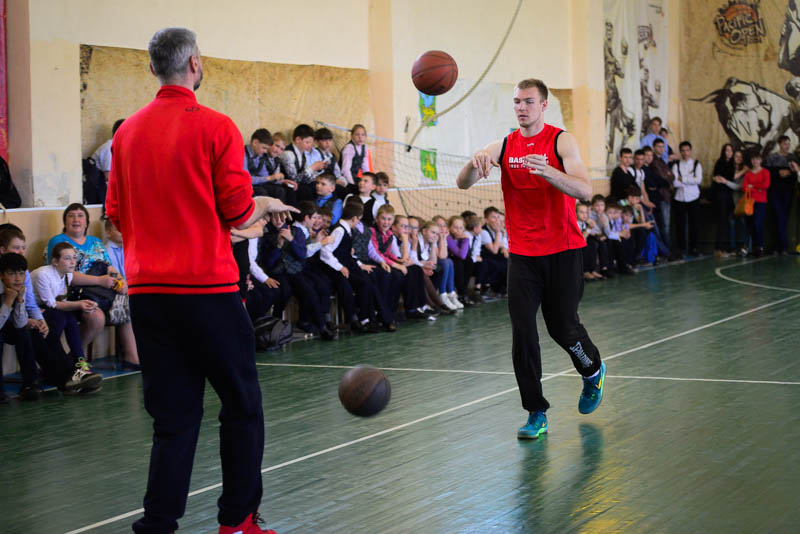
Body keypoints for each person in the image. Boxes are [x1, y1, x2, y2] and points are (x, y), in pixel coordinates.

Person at [105, 27, 295, 534]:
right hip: (207, 293)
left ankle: (158, 524)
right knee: (242, 406)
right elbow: (238, 211)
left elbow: (116, 215)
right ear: (195, 64)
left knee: (173, 418)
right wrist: (267, 202)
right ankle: (237, 522)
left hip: (148, 295)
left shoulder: (126, 134)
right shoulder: (216, 126)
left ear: (152, 68)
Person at [458, 78, 605, 440]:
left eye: (528, 101)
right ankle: (535, 412)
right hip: (523, 256)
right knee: (523, 331)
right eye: (517, 102)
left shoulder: (561, 141)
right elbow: (462, 183)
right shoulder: (504, 145)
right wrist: (475, 163)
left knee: (563, 328)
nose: (521, 107)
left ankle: (592, 371)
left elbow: (585, 190)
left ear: (543, 105)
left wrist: (549, 171)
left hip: (564, 251)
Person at [764, 135, 798, 254]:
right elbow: (767, 173)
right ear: (779, 144)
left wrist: (789, 172)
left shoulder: (793, 157)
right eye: (784, 143)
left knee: (784, 217)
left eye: (788, 143)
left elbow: (796, 174)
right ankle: (782, 246)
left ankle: (780, 246)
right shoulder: (772, 157)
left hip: (788, 191)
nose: (787, 146)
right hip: (775, 191)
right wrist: (778, 172)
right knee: (778, 216)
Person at [670, 141, 702, 257]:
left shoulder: (696, 164)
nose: (685, 153)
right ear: (680, 152)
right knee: (680, 225)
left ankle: (694, 248)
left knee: (694, 224)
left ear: (690, 151)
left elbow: (698, 180)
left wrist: (683, 179)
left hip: (693, 197)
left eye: (687, 150)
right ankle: (681, 249)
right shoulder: (676, 165)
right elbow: (675, 182)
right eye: (683, 151)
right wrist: (689, 180)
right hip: (680, 198)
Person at [743, 152, 771, 256]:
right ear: (751, 161)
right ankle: (754, 247)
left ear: (761, 160)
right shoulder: (748, 174)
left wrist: (753, 186)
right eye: (753, 159)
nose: (755, 161)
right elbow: (744, 187)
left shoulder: (765, 172)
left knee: (758, 224)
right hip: (749, 202)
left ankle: (760, 246)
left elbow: (766, 185)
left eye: (757, 159)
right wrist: (757, 188)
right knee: (750, 224)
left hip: (761, 201)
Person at [711, 144, 737, 256]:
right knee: (721, 221)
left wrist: (724, 180)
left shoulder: (733, 164)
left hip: (730, 196)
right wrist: (718, 179)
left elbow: (730, 178)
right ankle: (718, 248)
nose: (729, 152)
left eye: (731, 150)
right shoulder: (720, 162)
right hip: (721, 195)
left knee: (727, 221)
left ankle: (724, 247)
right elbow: (716, 177)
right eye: (727, 150)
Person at [340, 124, 372, 195]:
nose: (360, 137)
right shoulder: (349, 148)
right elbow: (345, 170)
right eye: (357, 134)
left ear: (365, 137)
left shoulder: (364, 148)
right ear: (352, 136)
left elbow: (365, 168)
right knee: (356, 190)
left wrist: (369, 181)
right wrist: (352, 184)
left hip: (355, 177)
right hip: (345, 178)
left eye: (363, 135)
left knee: (369, 188)